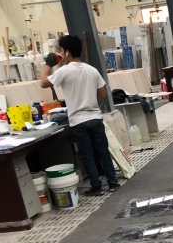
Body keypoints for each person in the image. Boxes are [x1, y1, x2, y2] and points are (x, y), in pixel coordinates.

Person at [41, 34, 119, 196]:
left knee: (87, 154)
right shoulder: (92, 70)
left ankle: (96, 187)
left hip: (78, 121)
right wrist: (87, 95)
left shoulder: (64, 71)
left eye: (62, 50)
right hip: (95, 118)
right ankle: (113, 183)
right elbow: (102, 94)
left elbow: (43, 83)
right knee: (103, 151)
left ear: (67, 52)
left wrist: (48, 64)